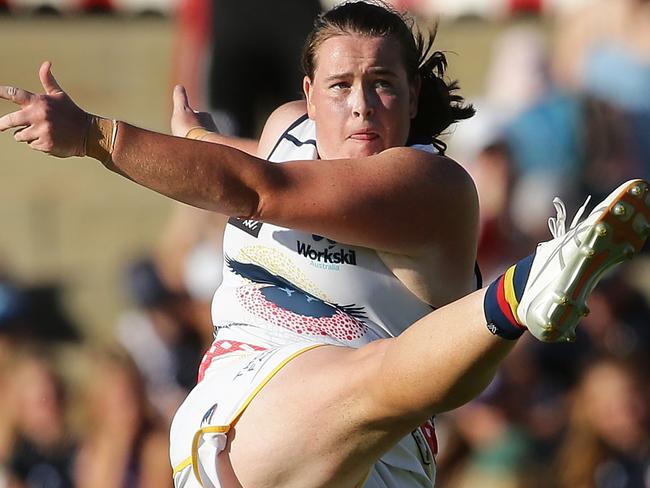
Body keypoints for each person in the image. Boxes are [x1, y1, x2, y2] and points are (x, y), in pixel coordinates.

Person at [1, 2, 649, 486]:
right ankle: (522, 294)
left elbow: (258, 190)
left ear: (413, 94)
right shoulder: (287, 129)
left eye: (383, 83)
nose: (361, 105)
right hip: (249, 417)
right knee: (365, 380)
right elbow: (252, 163)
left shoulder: (430, 184)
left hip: (380, 461)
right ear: (307, 93)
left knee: (374, 378)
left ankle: (528, 290)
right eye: (340, 86)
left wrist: (97, 136)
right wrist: (197, 143)